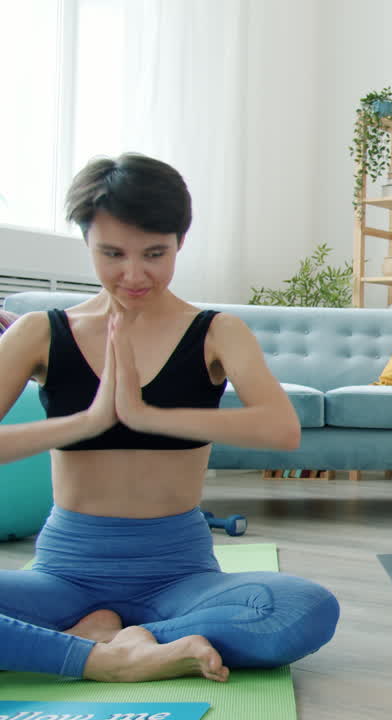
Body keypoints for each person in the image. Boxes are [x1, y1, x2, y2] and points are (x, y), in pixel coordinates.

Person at [0, 153, 339, 683]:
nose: (134, 274)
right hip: (64, 572)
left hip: (178, 575)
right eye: (112, 253)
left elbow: (281, 429)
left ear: (180, 242)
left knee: (305, 609)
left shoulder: (216, 332)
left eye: (154, 253)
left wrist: (146, 414)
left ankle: (99, 638)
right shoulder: (39, 332)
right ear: (85, 242)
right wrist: (87, 423)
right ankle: (106, 656)